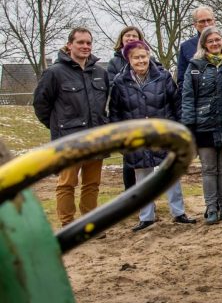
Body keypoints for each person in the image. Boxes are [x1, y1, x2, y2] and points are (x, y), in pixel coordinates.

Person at [108, 40, 196, 231]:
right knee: (143, 177)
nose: (141, 60)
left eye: (144, 56)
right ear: (128, 60)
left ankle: (178, 212)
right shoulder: (119, 82)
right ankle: (146, 217)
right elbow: (115, 113)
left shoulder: (163, 77)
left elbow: (176, 104)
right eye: (136, 57)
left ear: (149, 56)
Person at [32, 28, 110, 227]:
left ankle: (90, 223)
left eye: (88, 43)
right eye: (80, 42)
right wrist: (57, 127)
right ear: (69, 45)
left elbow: (104, 103)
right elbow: (41, 105)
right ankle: (68, 224)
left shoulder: (100, 73)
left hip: (96, 137)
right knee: (67, 183)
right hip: (69, 139)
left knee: (92, 184)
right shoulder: (54, 73)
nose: (85, 46)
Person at [176, 6, 222, 210]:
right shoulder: (190, 56)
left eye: (209, 20)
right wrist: (190, 123)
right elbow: (185, 90)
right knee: (209, 168)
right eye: (202, 22)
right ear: (195, 25)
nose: (206, 25)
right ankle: (211, 208)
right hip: (204, 122)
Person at [107, 25, 160, 190]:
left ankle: (149, 198)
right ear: (121, 39)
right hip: (128, 115)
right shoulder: (115, 62)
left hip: (149, 115)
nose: (130, 38)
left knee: (151, 161)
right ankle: (130, 193)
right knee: (130, 162)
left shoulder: (150, 61)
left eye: (134, 36)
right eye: (127, 35)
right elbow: (112, 88)